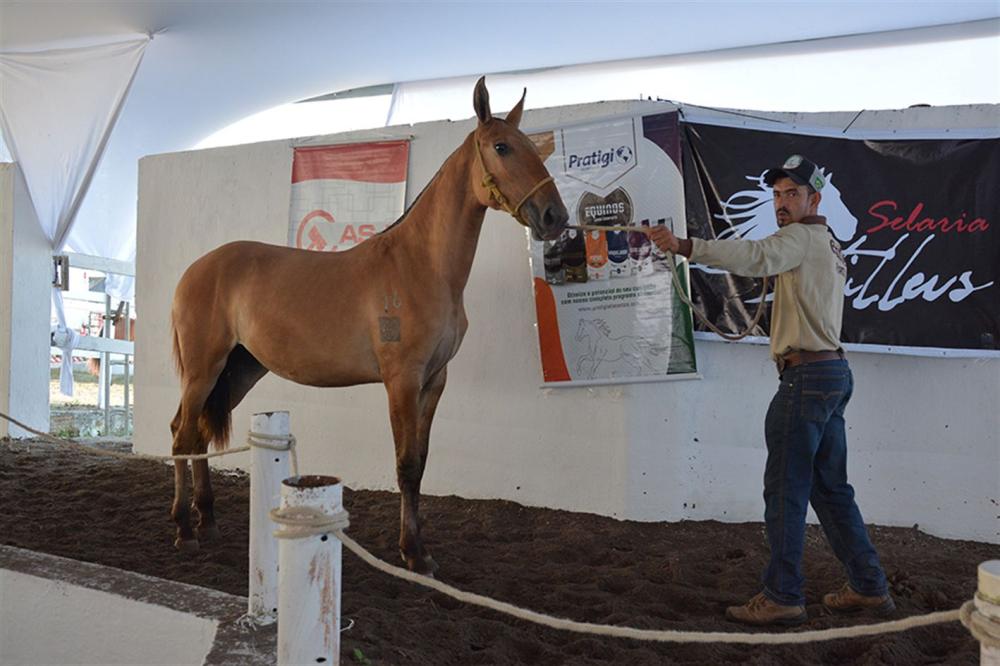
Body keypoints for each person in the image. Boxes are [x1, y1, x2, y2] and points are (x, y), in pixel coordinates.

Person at [649, 155, 894, 627]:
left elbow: (755, 256)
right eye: (778, 195)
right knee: (831, 490)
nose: (781, 203)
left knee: (785, 490)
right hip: (832, 373)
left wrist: (685, 246)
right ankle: (868, 586)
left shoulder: (798, 239)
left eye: (792, 194)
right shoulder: (828, 243)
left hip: (806, 378)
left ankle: (783, 595)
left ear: (813, 199)